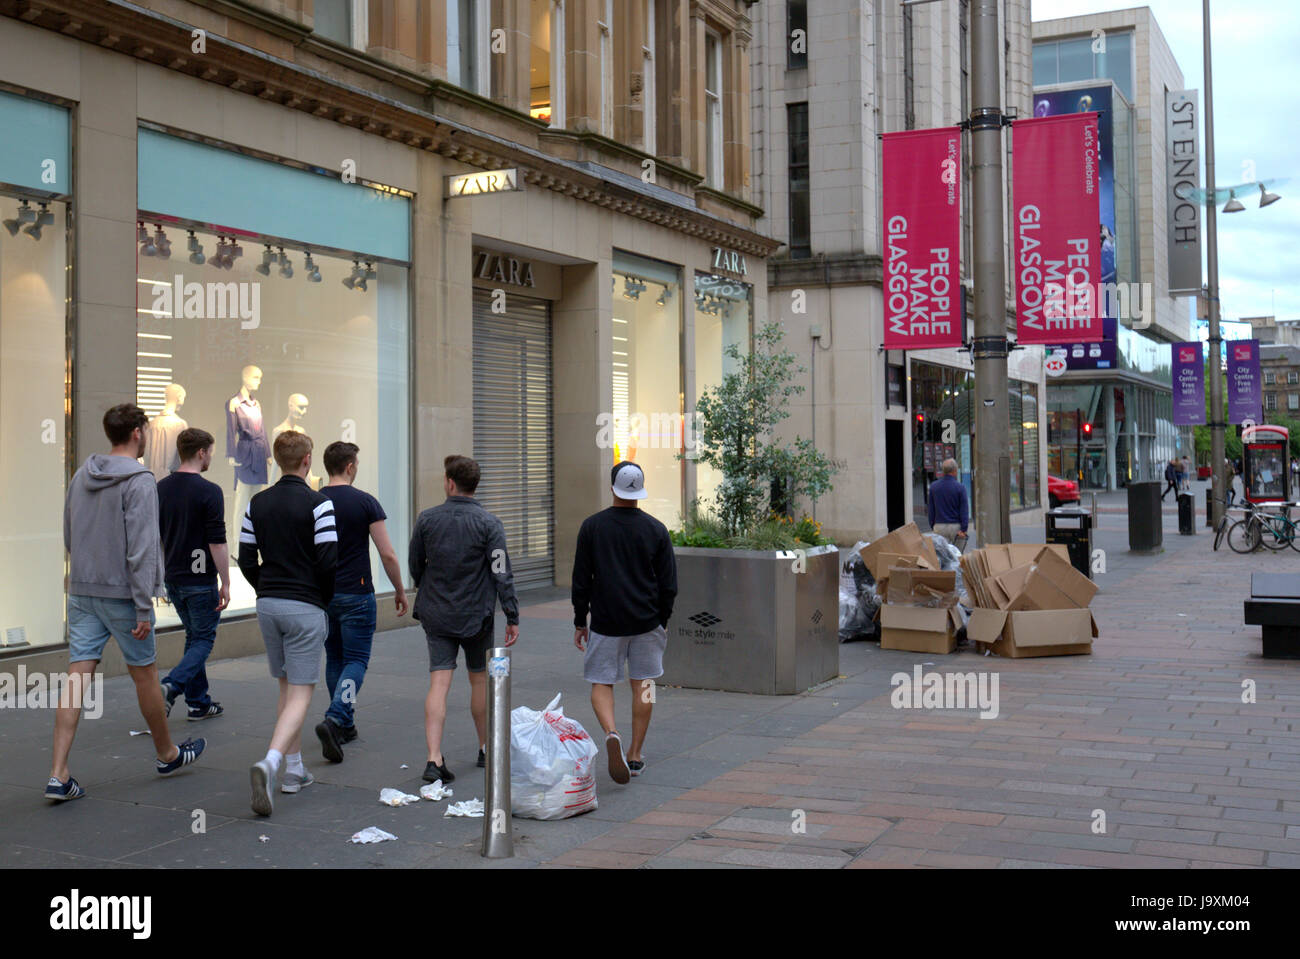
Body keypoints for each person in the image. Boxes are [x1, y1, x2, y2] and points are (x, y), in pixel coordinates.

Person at [49, 404, 205, 801]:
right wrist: (141, 606)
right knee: (145, 676)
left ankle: (58, 773)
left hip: (83, 590)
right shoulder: (140, 480)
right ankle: (167, 753)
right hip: (122, 594)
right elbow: (141, 547)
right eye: (147, 430)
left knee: (77, 676)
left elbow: (69, 532)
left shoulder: (82, 474)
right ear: (137, 432)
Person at [239, 431, 338, 816]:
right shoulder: (320, 504)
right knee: (301, 693)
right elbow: (329, 560)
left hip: (269, 605)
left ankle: (294, 770)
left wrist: (266, 586)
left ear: (278, 461)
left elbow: (247, 557)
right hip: (305, 605)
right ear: (308, 459)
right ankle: (272, 762)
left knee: (286, 686)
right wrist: (319, 599)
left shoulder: (257, 503)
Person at [409, 455, 519, 784]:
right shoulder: (489, 523)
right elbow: (501, 571)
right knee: (479, 680)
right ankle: (485, 748)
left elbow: (416, 565)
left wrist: (426, 586)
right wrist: (511, 613)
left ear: (449, 482)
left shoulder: (427, 520)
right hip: (477, 614)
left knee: (439, 683)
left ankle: (433, 757)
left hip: (437, 611)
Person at [572, 461, 678, 783]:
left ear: (612, 486)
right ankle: (634, 754)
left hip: (606, 620)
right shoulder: (656, 529)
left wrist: (580, 620)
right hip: (647, 621)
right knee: (644, 684)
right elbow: (669, 584)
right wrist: (663, 619)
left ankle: (611, 732)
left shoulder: (592, 527)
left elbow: (581, 580)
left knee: (602, 682)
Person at [314, 442, 409, 763]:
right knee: (356, 661)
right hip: (357, 592)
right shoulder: (364, 502)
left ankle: (344, 722)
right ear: (351, 466)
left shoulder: (314, 501)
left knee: (335, 658)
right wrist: (399, 588)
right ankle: (337, 715)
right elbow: (387, 553)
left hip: (324, 595)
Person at [157, 428, 231, 721]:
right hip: (200, 580)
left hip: (173, 577)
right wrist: (226, 581)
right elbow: (217, 541)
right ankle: (173, 684)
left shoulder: (160, 488)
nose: (211, 456)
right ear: (202, 453)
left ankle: (199, 702)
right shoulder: (209, 491)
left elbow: (157, 537)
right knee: (203, 639)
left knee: (194, 636)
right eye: (211, 452)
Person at [926, 458, 969, 546]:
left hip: (939, 526)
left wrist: (933, 525)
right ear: (954, 470)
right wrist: (964, 529)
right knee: (957, 555)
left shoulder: (934, 487)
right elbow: (964, 510)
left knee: (942, 556)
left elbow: (931, 509)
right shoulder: (960, 487)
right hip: (956, 527)